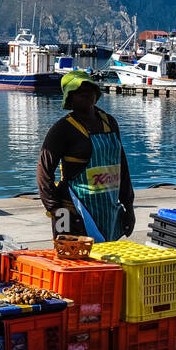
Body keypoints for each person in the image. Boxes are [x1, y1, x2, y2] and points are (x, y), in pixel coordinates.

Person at [36, 70, 135, 241]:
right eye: (79, 91)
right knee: (71, 259)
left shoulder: (109, 122)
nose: (86, 93)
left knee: (106, 262)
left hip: (108, 212)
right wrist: (57, 213)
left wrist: (129, 207)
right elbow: (43, 174)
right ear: (69, 98)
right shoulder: (62, 129)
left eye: (90, 89)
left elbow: (122, 167)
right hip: (72, 212)